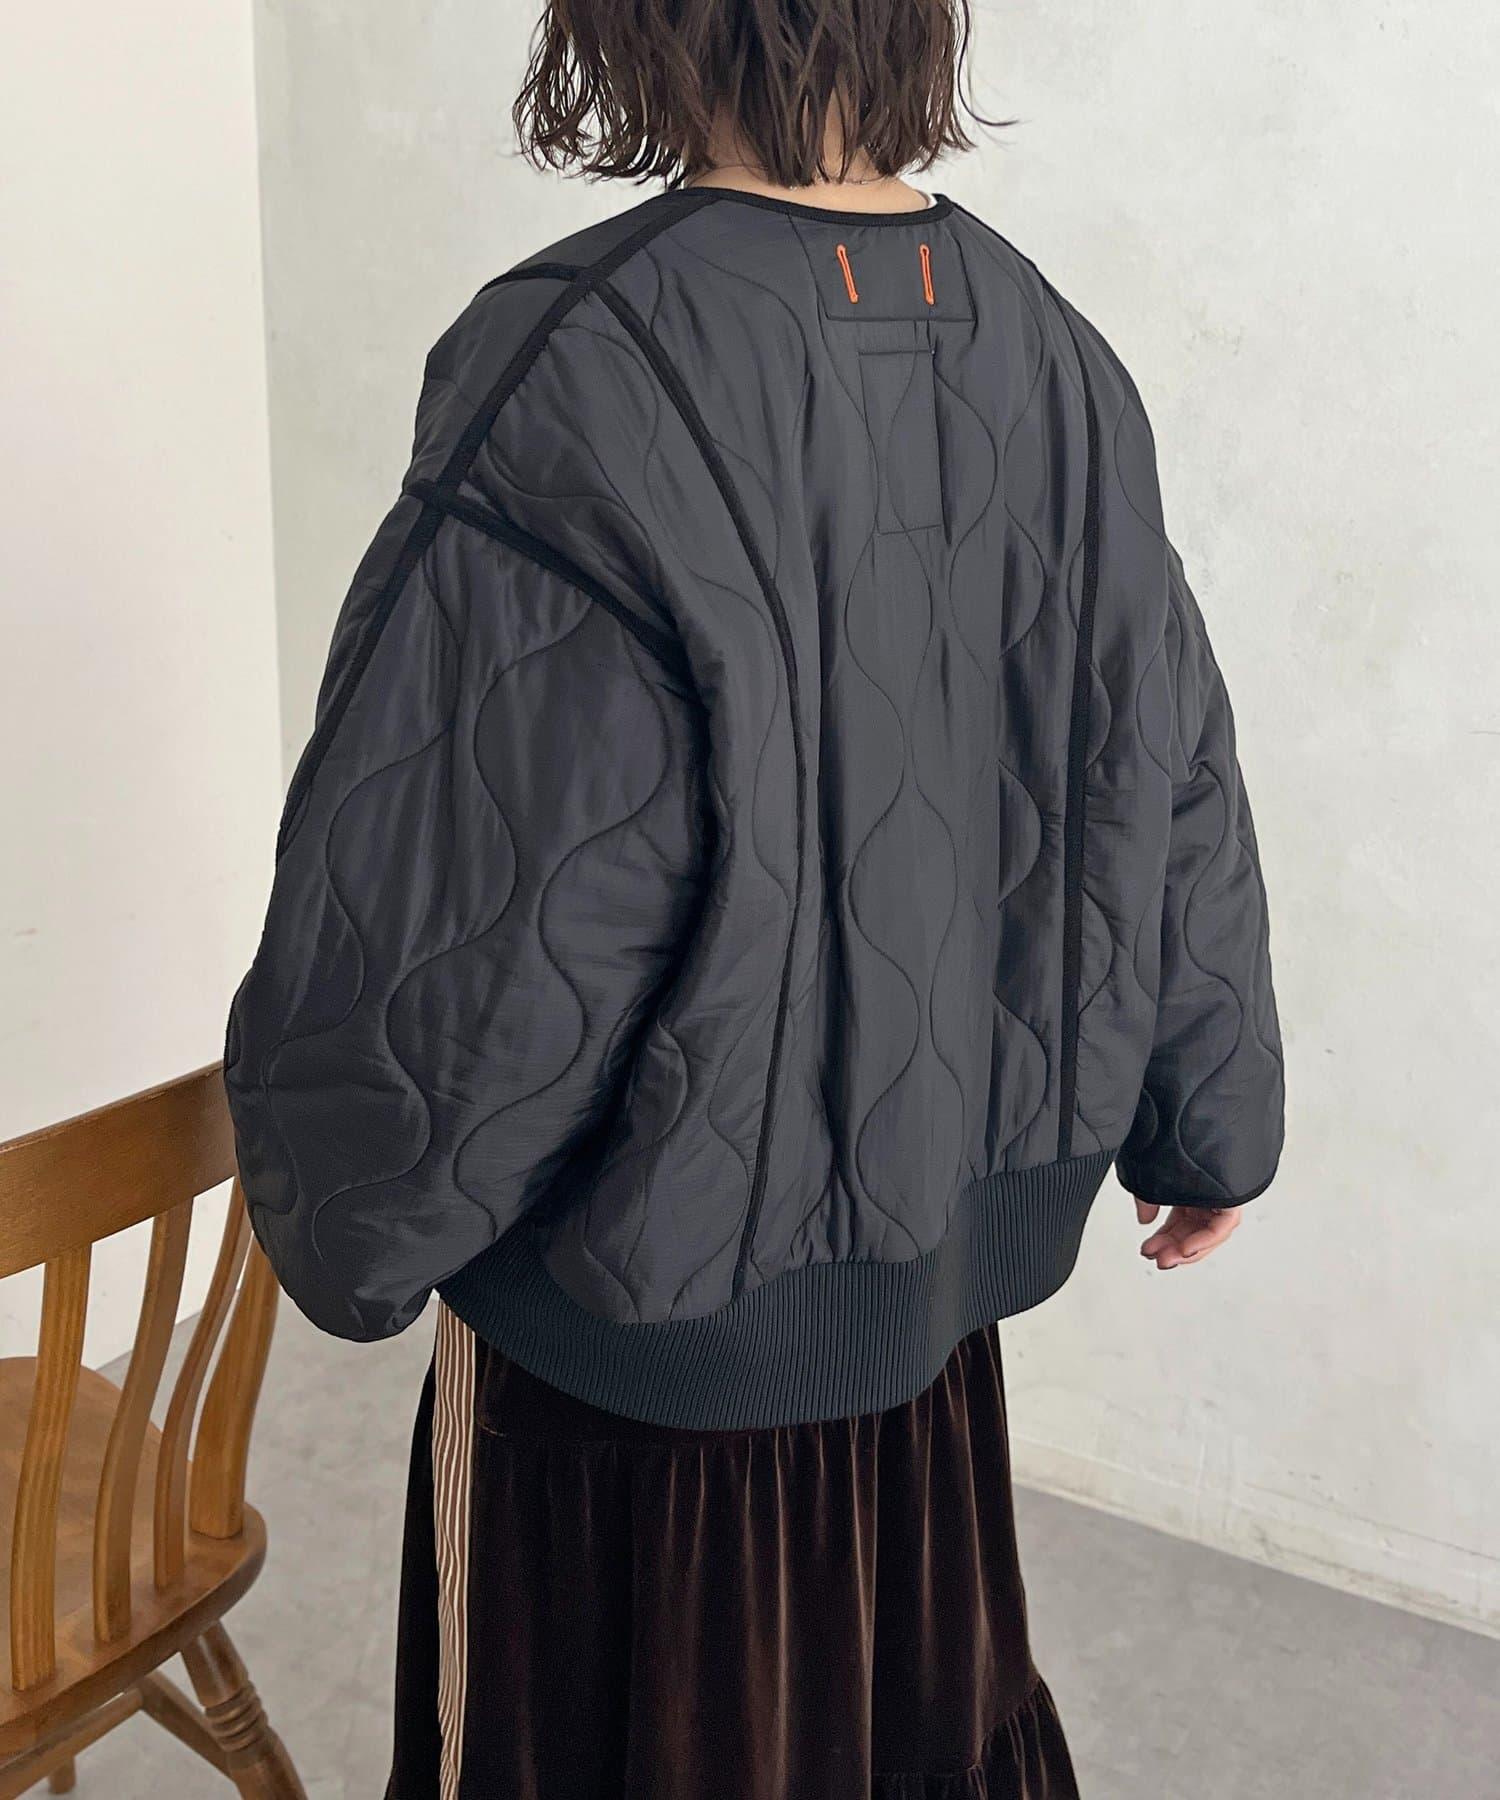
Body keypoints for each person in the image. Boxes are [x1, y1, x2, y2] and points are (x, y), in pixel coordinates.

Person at [224, 0, 1284, 1791]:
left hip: (635, 1358)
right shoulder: (1050, 343)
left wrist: (354, 1216)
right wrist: (1211, 1113)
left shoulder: (584, 351)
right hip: (931, 1314)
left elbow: (484, 878)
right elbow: (1163, 758)